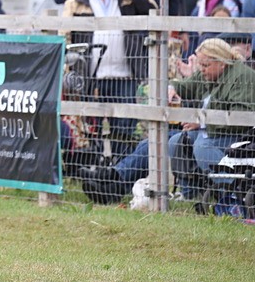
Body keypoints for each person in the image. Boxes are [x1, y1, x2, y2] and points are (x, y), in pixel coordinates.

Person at [85, 38, 255, 204]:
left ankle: (230, 195)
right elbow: (186, 85)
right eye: (200, 65)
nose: (201, 69)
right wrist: (172, 88)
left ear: (222, 63)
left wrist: (203, 122)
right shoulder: (209, 73)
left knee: (197, 145)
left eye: (205, 66)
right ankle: (114, 182)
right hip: (206, 131)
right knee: (157, 139)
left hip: (231, 137)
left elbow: (242, 115)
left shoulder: (243, 77)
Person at [62, 0, 156, 158]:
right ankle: (93, 169)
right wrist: (69, 68)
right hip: (90, 76)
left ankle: (120, 174)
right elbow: (65, 36)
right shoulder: (76, 3)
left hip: (125, 74)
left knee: (124, 128)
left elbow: (153, 10)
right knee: (90, 126)